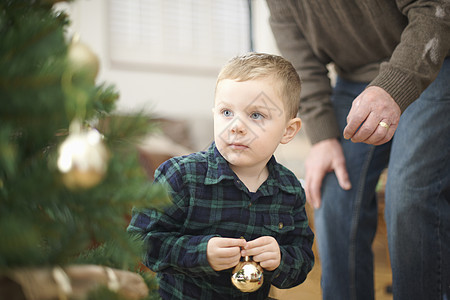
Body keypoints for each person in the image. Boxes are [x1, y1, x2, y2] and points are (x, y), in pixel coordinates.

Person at [266, 1, 450, 300]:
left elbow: (435, 10)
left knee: (408, 194)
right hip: (354, 79)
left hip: (436, 60)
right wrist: (323, 137)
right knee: (331, 190)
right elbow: (302, 61)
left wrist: (395, 85)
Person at [127, 53, 315, 300]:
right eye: (227, 112)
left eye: (256, 115)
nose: (236, 126)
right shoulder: (181, 176)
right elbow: (138, 242)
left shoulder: (289, 189)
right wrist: (200, 252)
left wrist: (280, 259)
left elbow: (302, 259)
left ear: (288, 131)